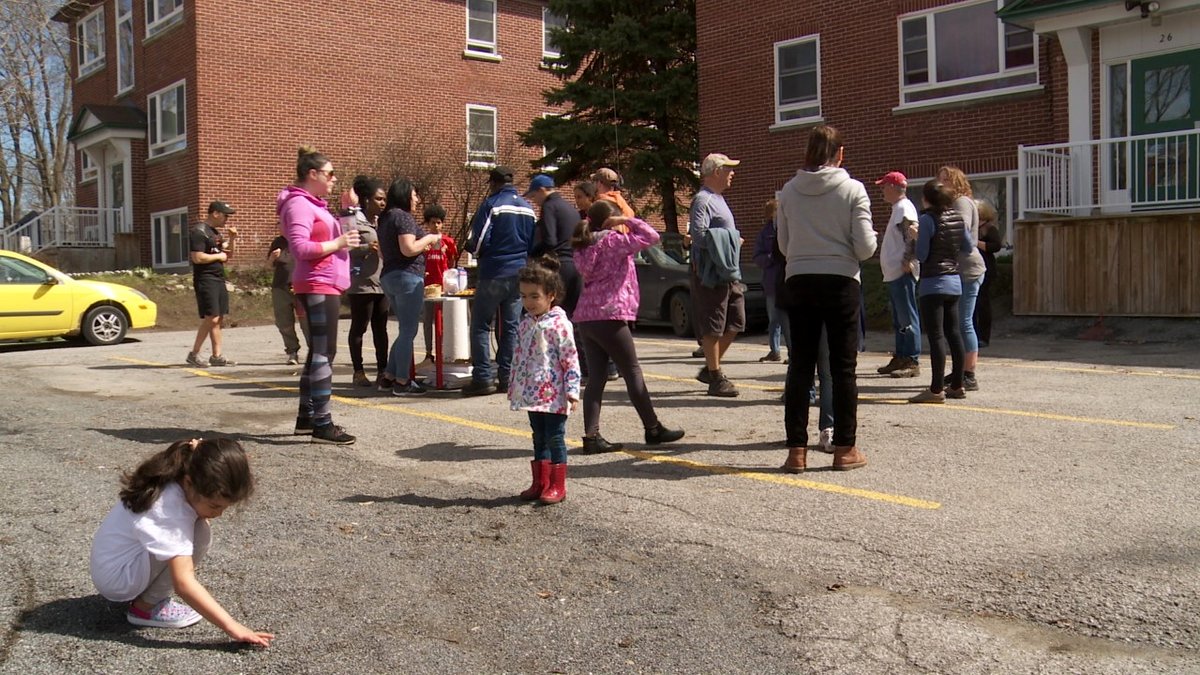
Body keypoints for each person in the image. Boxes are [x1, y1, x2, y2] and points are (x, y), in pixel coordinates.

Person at [89, 438, 274, 646]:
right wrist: (233, 627)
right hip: (118, 580)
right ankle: (145, 608)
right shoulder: (170, 511)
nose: (219, 514)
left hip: (117, 567)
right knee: (200, 534)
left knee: (198, 529)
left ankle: (146, 597)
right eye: (214, 506)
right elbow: (183, 583)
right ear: (189, 482)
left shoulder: (181, 472)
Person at [776, 125, 877, 473]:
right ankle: (844, 448)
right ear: (840, 153)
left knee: (800, 366)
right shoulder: (853, 190)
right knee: (842, 368)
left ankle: (796, 452)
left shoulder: (788, 191)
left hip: (800, 278)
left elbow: (784, 246)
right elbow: (865, 247)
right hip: (840, 280)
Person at [573, 199, 685, 453]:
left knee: (597, 377)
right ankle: (653, 428)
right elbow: (652, 236)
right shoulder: (613, 241)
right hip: (610, 315)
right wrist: (626, 221)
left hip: (587, 317)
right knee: (632, 371)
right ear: (611, 220)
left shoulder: (584, 246)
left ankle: (592, 436)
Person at [279, 145, 360, 445]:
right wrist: (336, 242)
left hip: (325, 282)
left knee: (318, 352)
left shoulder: (315, 204)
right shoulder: (299, 205)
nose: (334, 178)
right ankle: (322, 424)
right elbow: (300, 248)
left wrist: (346, 211)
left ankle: (307, 418)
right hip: (316, 283)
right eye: (330, 174)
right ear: (312, 174)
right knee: (325, 353)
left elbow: (345, 238)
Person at [508, 257, 581, 505]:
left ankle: (557, 485)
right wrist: (514, 386)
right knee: (538, 436)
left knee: (555, 437)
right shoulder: (525, 322)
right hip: (532, 393)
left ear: (551, 295)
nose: (528, 302)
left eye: (534, 296)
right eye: (524, 296)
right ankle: (540, 482)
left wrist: (572, 390)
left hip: (554, 394)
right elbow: (519, 357)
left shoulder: (559, 324)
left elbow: (570, 358)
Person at [462, 166, 536, 397]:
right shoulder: (528, 208)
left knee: (481, 325)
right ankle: (507, 376)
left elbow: (479, 239)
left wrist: (473, 250)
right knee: (511, 327)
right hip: (519, 272)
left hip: (494, 270)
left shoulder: (492, 204)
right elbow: (534, 241)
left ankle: (483, 377)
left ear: (493, 183)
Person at [909, 180, 974, 404]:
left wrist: (917, 236)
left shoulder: (927, 220)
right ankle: (957, 384)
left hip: (933, 283)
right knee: (954, 334)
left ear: (927, 199)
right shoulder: (958, 218)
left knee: (936, 336)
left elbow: (923, 254)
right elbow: (968, 247)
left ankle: (936, 389)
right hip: (954, 281)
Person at [688, 152, 745, 397]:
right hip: (710, 272)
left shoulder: (718, 198)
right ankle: (715, 378)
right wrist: (731, 240)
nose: (732, 174)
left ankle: (710, 368)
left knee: (736, 321)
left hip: (726, 271)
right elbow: (699, 235)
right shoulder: (703, 200)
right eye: (729, 169)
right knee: (713, 326)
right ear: (716, 172)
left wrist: (732, 242)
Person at [378, 177, 441, 396]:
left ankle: (389, 376)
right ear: (405, 195)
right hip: (407, 277)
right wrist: (430, 238)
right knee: (408, 330)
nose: (417, 199)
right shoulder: (403, 217)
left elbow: (383, 251)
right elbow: (408, 248)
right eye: (414, 195)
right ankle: (403, 382)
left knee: (405, 329)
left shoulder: (385, 218)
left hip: (389, 277)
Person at [938, 165, 986, 391]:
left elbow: (961, 231)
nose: (941, 183)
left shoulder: (961, 203)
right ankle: (961, 369)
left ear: (956, 183)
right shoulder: (952, 205)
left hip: (969, 269)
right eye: (939, 180)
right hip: (959, 270)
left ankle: (969, 373)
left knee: (964, 321)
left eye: (946, 180)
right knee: (957, 322)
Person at [874, 171, 921, 379]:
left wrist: (908, 260)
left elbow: (911, 235)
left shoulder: (903, 208)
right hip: (894, 273)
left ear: (894, 188)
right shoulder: (898, 208)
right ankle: (901, 355)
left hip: (901, 272)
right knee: (899, 318)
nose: (882, 190)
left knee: (907, 316)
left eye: (884, 187)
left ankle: (911, 359)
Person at [345, 177, 390, 389]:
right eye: (378, 199)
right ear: (366, 200)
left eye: (384, 199)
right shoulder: (353, 221)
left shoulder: (384, 221)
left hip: (382, 282)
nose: (382, 203)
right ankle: (358, 372)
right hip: (361, 284)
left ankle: (383, 371)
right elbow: (344, 249)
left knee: (381, 329)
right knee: (359, 328)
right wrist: (365, 248)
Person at [186, 201, 237, 367]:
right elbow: (197, 257)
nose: (227, 219)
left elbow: (227, 254)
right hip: (205, 280)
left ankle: (216, 355)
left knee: (218, 318)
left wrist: (232, 238)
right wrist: (218, 257)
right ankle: (194, 354)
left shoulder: (214, 233)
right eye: (225, 215)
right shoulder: (199, 232)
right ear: (215, 213)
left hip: (218, 278)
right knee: (211, 317)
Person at [420, 203, 458, 363]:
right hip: (428, 287)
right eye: (432, 222)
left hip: (443, 287)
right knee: (428, 320)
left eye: (438, 222)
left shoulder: (448, 242)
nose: (436, 225)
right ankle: (429, 353)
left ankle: (443, 351)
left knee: (443, 321)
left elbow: (452, 261)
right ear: (427, 224)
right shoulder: (423, 241)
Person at [752, 198, 787, 363]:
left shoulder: (790, 229)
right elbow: (757, 257)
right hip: (772, 282)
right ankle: (775, 351)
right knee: (774, 319)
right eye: (776, 211)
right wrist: (771, 257)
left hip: (789, 281)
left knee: (790, 319)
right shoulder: (764, 233)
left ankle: (794, 353)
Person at [266, 234, 309, 365]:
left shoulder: (304, 238)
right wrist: (273, 258)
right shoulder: (278, 242)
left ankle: (314, 351)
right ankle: (292, 351)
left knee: (307, 322)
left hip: (302, 286)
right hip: (280, 287)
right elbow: (268, 266)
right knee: (284, 322)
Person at [973, 199, 1003, 348]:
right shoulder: (972, 227)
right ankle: (974, 334)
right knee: (973, 304)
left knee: (983, 303)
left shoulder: (989, 228)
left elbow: (996, 246)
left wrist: (976, 242)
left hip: (986, 268)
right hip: (973, 268)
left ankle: (984, 337)